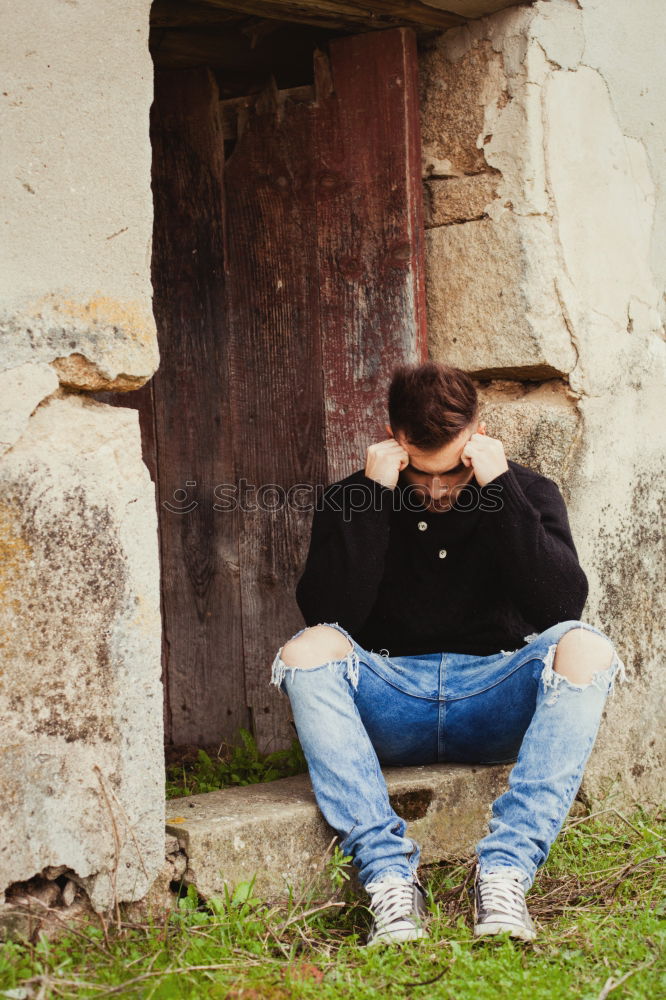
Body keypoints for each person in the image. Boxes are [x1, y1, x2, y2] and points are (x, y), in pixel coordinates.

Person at [270, 361, 627, 946]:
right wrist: (374, 497)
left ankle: (506, 869)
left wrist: (500, 488)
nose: (436, 490)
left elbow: (561, 608)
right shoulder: (351, 498)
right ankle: (388, 876)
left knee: (585, 648)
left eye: (451, 473)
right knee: (307, 650)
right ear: (395, 439)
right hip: (391, 703)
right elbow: (335, 617)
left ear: (476, 434)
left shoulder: (525, 491)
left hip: (495, 699)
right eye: (421, 473)